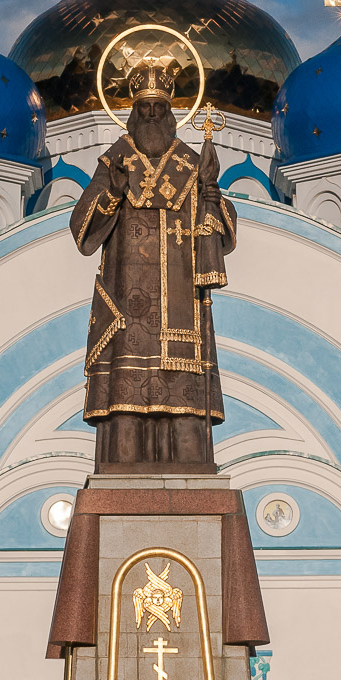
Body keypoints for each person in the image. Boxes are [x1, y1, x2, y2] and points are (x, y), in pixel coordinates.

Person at [70, 61, 236, 471]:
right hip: (127, 301)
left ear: (171, 115)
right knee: (126, 402)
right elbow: (82, 229)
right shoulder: (115, 163)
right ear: (131, 113)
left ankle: (189, 465)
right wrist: (113, 190)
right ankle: (124, 467)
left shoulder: (192, 165)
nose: (150, 116)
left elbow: (224, 231)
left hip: (181, 301)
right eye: (143, 109)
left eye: (158, 109)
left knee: (182, 400)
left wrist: (211, 194)